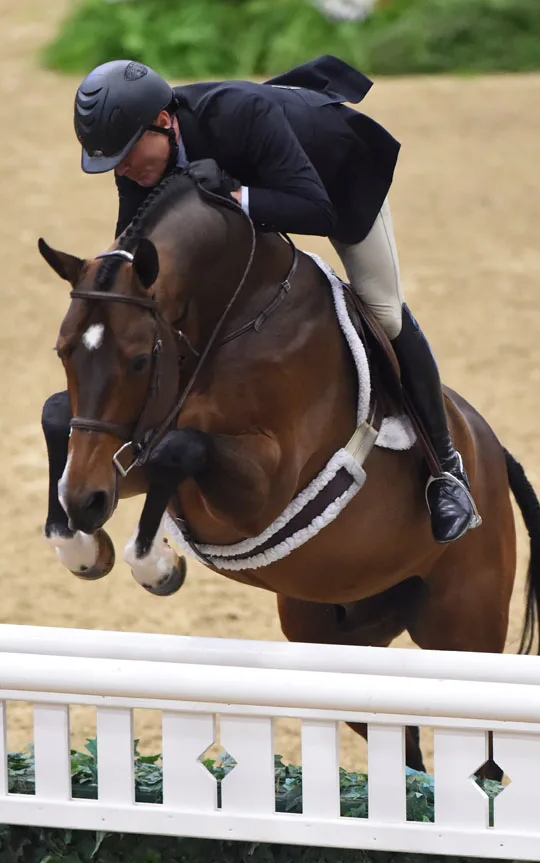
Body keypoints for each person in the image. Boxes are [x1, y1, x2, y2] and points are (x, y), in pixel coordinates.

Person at [72, 55, 480, 544]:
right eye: (112, 163)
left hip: (334, 180)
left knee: (384, 309)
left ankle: (447, 470)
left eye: (126, 156)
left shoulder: (238, 116)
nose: (123, 170)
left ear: (162, 122)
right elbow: (135, 251)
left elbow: (315, 210)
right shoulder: (136, 159)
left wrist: (237, 195)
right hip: (263, 189)